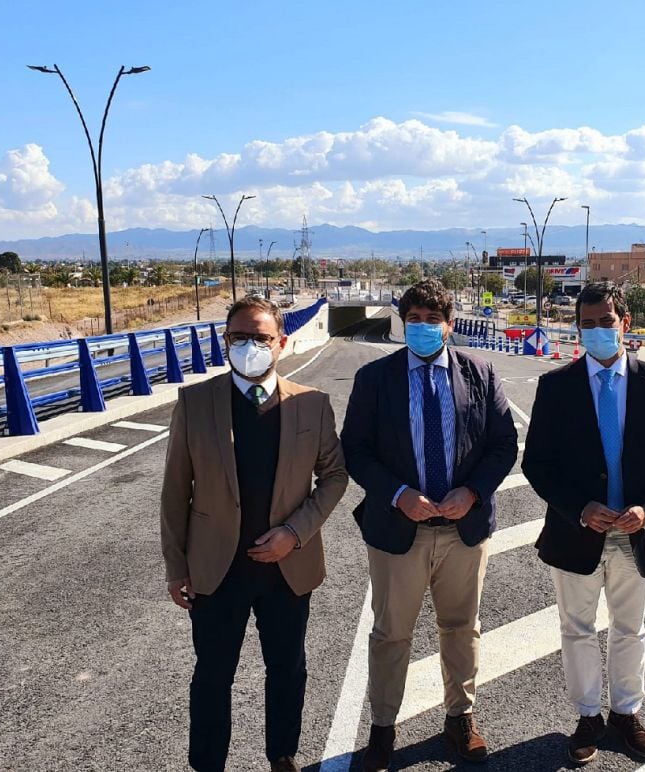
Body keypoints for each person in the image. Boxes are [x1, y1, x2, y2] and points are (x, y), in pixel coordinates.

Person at [160, 296, 348, 772]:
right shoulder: (195, 403)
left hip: (287, 566)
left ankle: (282, 755)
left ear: (281, 343)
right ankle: (207, 764)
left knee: (287, 670)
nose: (250, 347)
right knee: (212, 675)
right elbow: (175, 491)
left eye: (261, 338)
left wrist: (295, 532)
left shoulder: (311, 404)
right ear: (225, 342)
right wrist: (175, 566)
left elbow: (334, 477)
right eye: (239, 337)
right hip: (216, 567)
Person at [341, 279, 518, 771]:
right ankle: (382, 728)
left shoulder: (480, 373)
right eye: (412, 318)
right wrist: (398, 495)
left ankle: (460, 718)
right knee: (391, 632)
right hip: (400, 528)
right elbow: (355, 450)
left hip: (464, 529)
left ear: (449, 325)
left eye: (431, 319)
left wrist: (474, 491)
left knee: (462, 628)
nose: (421, 327)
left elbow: (503, 444)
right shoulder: (375, 379)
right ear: (403, 322)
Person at [522, 281, 645, 766]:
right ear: (577, 328)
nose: (597, 331)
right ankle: (586, 718)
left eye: (606, 322)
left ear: (625, 324)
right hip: (577, 531)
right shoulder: (556, 386)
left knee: (630, 628)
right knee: (577, 628)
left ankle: (625, 713)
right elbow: (537, 464)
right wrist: (579, 507)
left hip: (637, 534)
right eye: (587, 323)